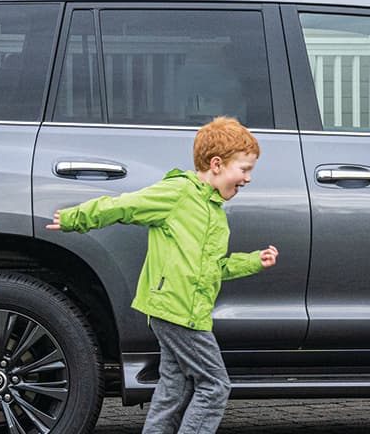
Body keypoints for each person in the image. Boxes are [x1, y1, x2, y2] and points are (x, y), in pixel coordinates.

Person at [47, 116, 280, 434]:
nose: (248, 178)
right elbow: (125, 206)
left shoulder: (213, 211)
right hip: (178, 313)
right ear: (216, 164)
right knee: (214, 387)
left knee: (174, 389)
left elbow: (213, 268)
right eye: (245, 169)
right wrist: (77, 218)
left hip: (182, 313)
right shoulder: (178, 193)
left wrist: (254, 261)